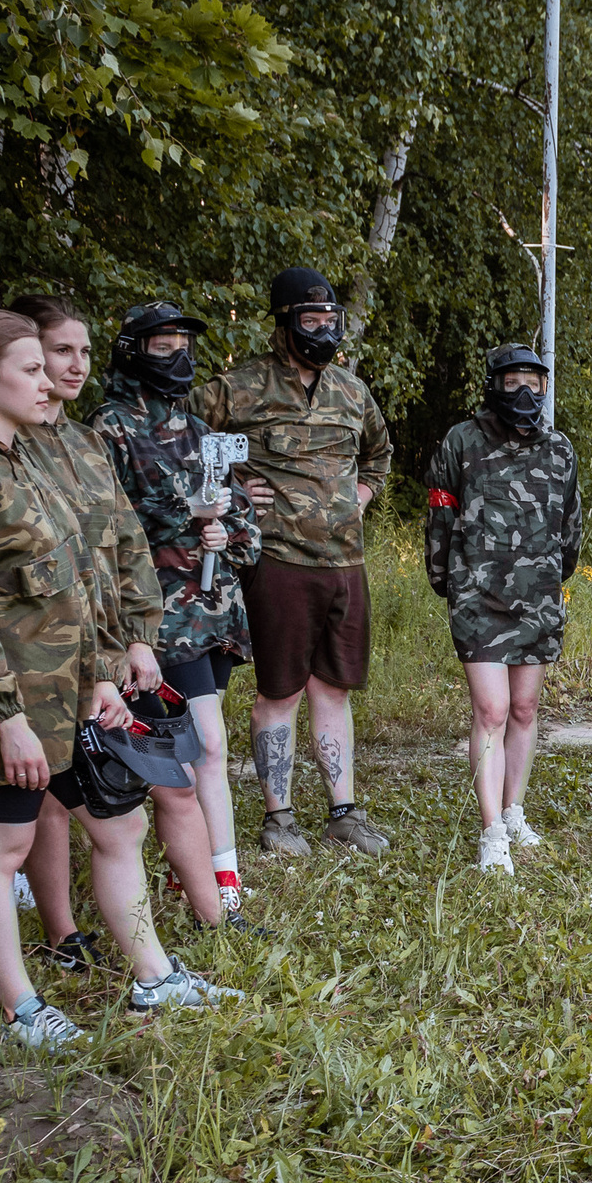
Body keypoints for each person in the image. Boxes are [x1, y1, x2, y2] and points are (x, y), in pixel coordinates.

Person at [0, 310, 240, 1048]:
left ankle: (154, 977)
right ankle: (24, 1012)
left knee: (122, 825)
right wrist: (5, 717)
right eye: (30, 367)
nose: (48, 378)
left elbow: (76, 581)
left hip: (71, 690)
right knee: (0, 852)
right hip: (6, 705)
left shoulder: (30, 455)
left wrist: (99, 678)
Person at [194, 267, 394, 856]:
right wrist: (230, 491)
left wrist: (361, 497)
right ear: (284, 323)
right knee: (279, 692)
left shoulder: (351, 391)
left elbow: (379, 452)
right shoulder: (240, 386)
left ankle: (343, 813)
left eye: (330, 321)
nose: (323, 332)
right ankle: (279, 818)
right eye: (311, 321)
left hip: (345, 565)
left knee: (333, 689)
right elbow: (180, 437)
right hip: (277, 562)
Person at [94, 300, 261, 917]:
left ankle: (215, 877)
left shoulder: (197, 432)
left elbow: (245, 517)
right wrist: (188, 520)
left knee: (202, 751)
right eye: (163, 345)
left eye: (183, 345)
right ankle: (216, 886)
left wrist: (227, 532)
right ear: (134, 352)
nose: (178, 356)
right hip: (160, 622)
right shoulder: (107, 429)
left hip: (214, 613)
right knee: (201, 749)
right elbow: (108, 528)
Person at [425, 344, 581, 871]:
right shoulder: (462, 441)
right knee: (490, 710)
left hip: (537, 596)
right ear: (493, 384)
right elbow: (440, 517)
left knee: (524, 710)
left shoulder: (560, 449)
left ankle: (514, 811)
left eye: (533, 383)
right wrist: (445, 582)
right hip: (476, 596)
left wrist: (552, 581)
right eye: (513, 381)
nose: (524, 393)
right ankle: (492, 832)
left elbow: (570, 529)